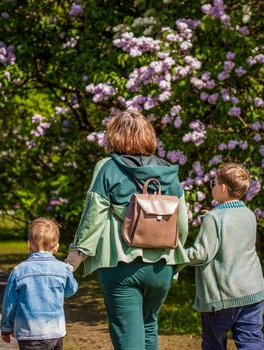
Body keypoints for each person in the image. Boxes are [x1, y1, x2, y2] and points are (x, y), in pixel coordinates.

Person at [65, 109, 189, 350]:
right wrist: (176, 263)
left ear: (115, 136)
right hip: (161, 267)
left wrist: (74, 258)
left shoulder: (108, 167)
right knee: (149, 329)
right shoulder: (168, 171)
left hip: (121, 264)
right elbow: (181, 224)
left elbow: (93, 216)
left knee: (128, 338)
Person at [185, 163, 264, 350]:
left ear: (222, 187)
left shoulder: (214, 218)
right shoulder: (248, 214)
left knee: (213, 343)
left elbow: (200, 254)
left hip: (222, 297)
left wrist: (176, 253)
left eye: (213, 182)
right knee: (251, 341)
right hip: (253, 292)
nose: (212, 185)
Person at [0, 217, 78, 350]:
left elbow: (9, 303)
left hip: (29, 332)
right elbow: (70, 291)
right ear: (56, 247)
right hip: (55, 331)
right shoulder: (63, 269)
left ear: (29, 245)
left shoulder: (19, 271)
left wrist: (6, 327)